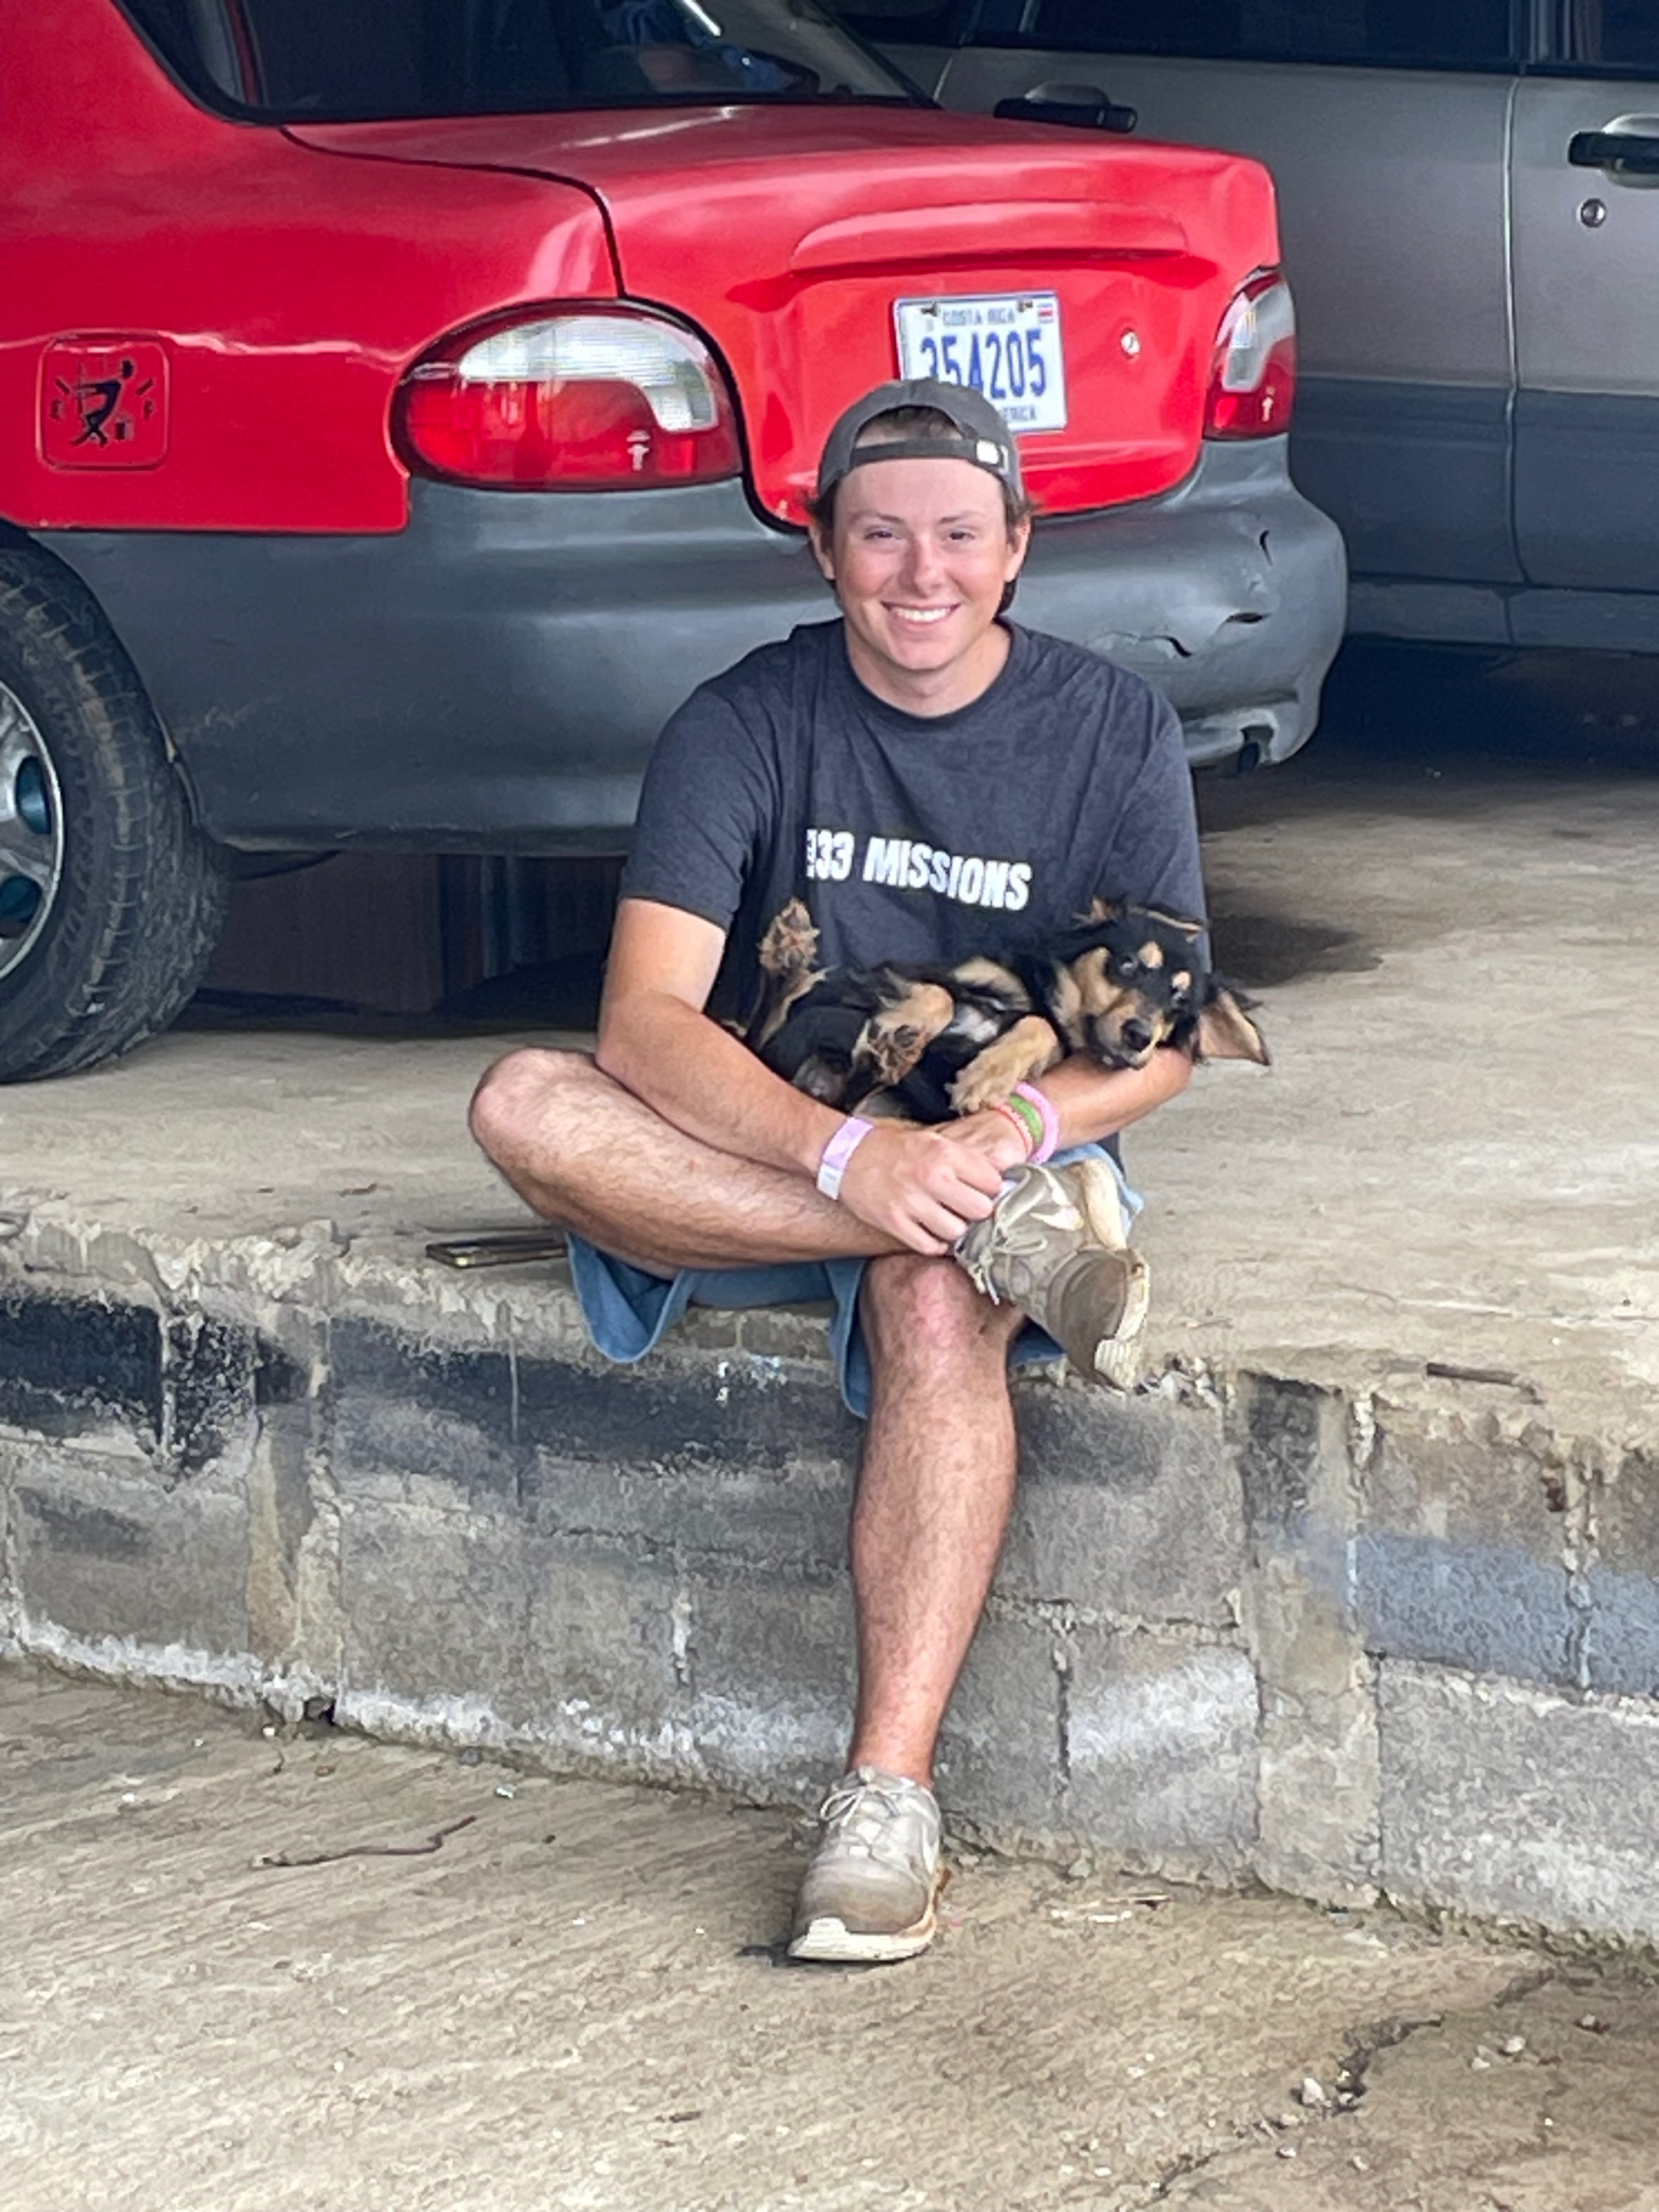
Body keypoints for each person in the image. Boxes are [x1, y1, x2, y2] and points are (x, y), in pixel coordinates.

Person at [469, 377, 1208, 1963]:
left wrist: (1008, 1136)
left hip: (996, 1140)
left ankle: (886, 1802)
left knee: (932, 1308)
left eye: (959, 536)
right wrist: (855, 1159)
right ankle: (994, 1236)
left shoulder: (1111, 728)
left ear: (1018, 547)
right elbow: (643, 1022)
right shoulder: (744, 722)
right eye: (881, 536)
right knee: (525, 1101)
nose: (921, 573)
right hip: (784, 1138)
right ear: (823, 550)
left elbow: (1166, 1040)